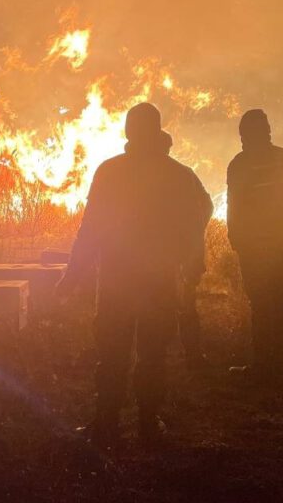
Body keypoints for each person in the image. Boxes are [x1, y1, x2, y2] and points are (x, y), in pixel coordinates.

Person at [56, 102, 212, 447]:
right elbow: (194, 226)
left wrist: (74, 274)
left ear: (130, 131)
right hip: (156, 281)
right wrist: (192, 267)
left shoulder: (111, 171)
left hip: (119, 281)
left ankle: (109, 423)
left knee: (114, 353)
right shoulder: (178, 174)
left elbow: (90, 230)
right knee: (150, 354)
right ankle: (146, 423)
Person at [226, 109, 283, 380]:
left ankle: (264, 365)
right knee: (278, 301)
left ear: (246, 135)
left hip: (254, 247)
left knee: (261, 303)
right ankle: (277, 363)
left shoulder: (239, 164)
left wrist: (236, 237)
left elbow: (234, 205)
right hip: (281, 244)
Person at [161, 132, 214, 370]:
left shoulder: (180, 174)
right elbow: (207, 206)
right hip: (183, 254)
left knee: (177, 305)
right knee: (185, 306)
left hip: (172, 256)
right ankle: (190, 356)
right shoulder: (184, 174)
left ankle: (168, 354)